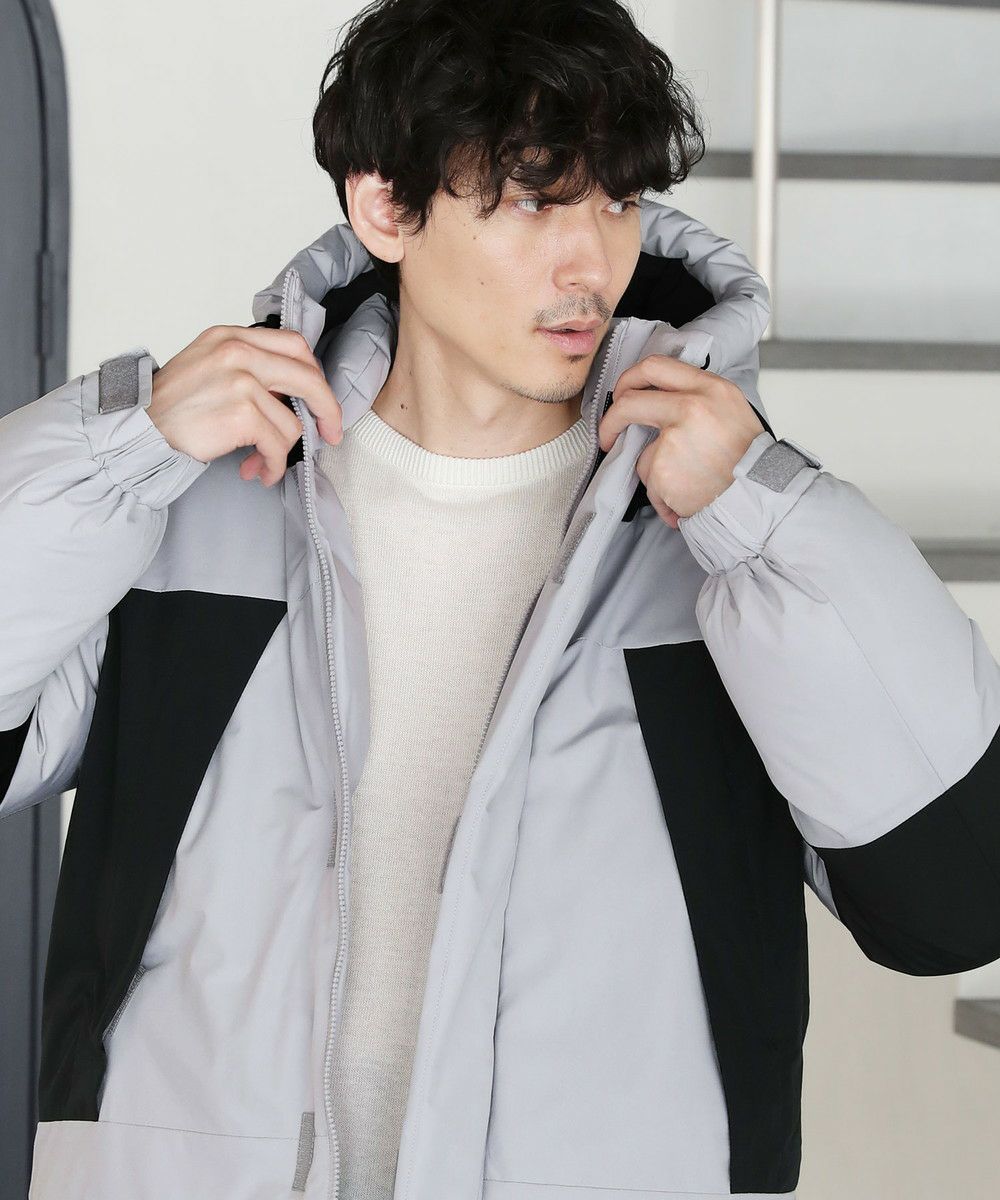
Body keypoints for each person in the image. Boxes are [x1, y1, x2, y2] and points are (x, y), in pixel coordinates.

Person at [3, 1, 999, 1198]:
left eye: (618, 201)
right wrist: (112, 452)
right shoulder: (195, 508)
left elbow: (954, 899)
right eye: (533, 200)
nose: (591, 265)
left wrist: (775, 519)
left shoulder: (726, 545)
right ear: (386, 206)